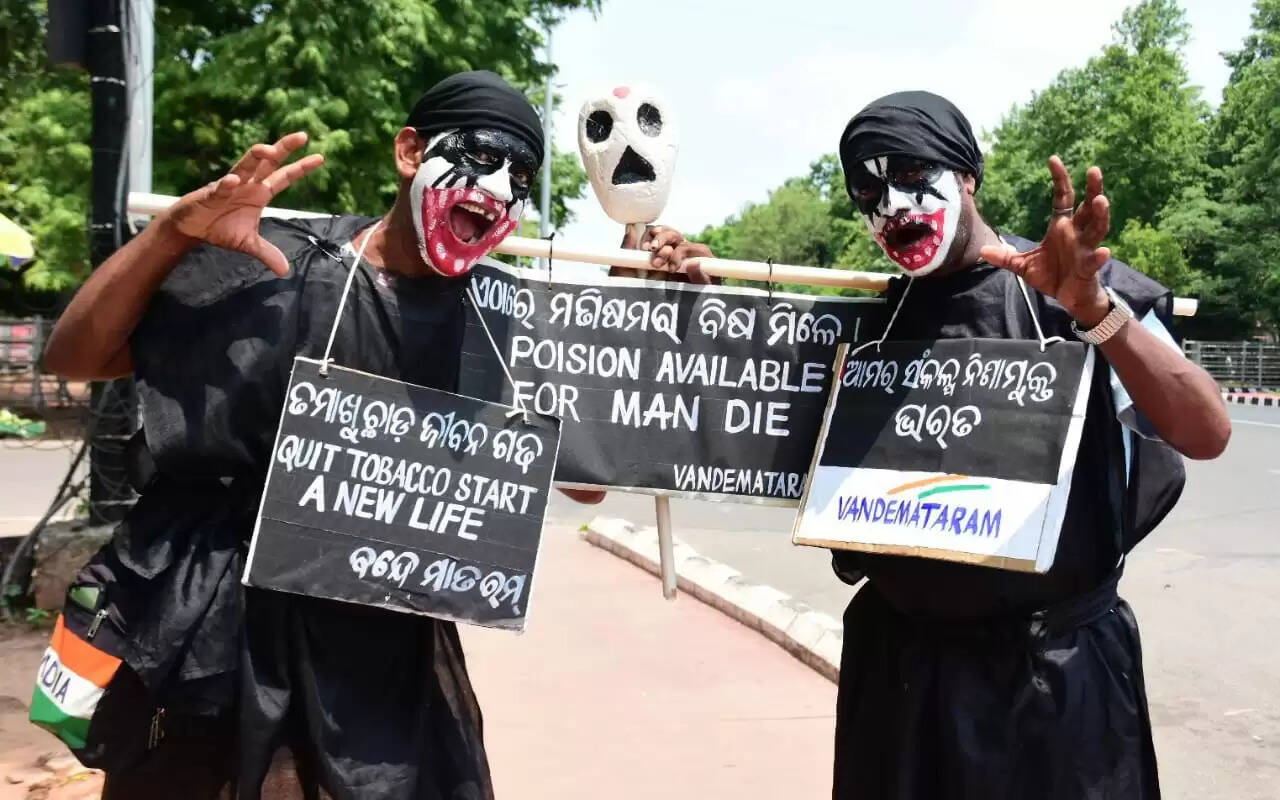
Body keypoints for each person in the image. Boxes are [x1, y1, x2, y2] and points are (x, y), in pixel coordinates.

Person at [38, 70, 701, 799]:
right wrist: (173, 236)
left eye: (523, 174)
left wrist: (638, 309)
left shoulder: (495, 322)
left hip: (372, 668)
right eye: (481, 156)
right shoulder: (277, 262)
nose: (502, 188)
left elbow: (587, 477)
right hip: (218, 642)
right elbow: (75, 357)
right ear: (410, 152)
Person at [827, 91, 1231, 799]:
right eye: (867, 186)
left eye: (912, 172)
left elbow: (1206, 431)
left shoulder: (1069, 284)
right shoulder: (868, 320)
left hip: (1059, 690)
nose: (890, 204)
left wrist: (1095, 311)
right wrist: (668, 290)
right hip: (901, 693)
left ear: (968, 176)